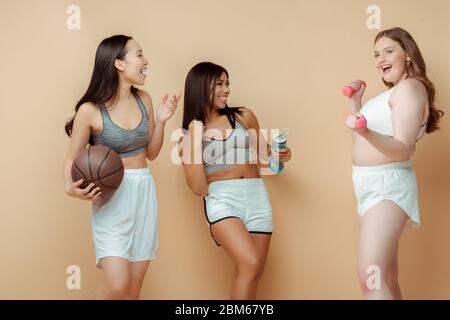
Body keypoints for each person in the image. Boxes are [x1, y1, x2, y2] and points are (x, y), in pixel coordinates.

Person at [63, 35, 180, 299]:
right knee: (117, 285)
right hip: (112, 197)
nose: (145, 60)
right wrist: (70, 188)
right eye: (139, 55)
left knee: (132, 290)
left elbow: (151, 153)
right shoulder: (90, 111)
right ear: (118, 64)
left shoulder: (145, 100)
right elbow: (71, 159)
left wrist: (161, 121)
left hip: (144, 191)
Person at [345, 27, 444, 299]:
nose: (380, 59)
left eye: (389, 51)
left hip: (386, 186)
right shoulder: (398, 91)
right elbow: (369, 138)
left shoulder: (410, 88)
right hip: (371, 186)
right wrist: (357, 105)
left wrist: (363, 129)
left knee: (371, 276)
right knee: (385, 275)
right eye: (377, 54)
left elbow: (403, 149)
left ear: (408, 55)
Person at [179, 62, 292, 299]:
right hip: (223, 201)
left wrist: (281, 156)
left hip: (257, 196)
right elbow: (199, 188)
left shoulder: (244, 116)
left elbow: (266, 158)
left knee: (252, 272)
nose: (226, 90)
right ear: (201, 87)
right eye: (219, 84)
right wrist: (194, 141)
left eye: (227, 83)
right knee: (250, 262)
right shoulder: (189, 136)